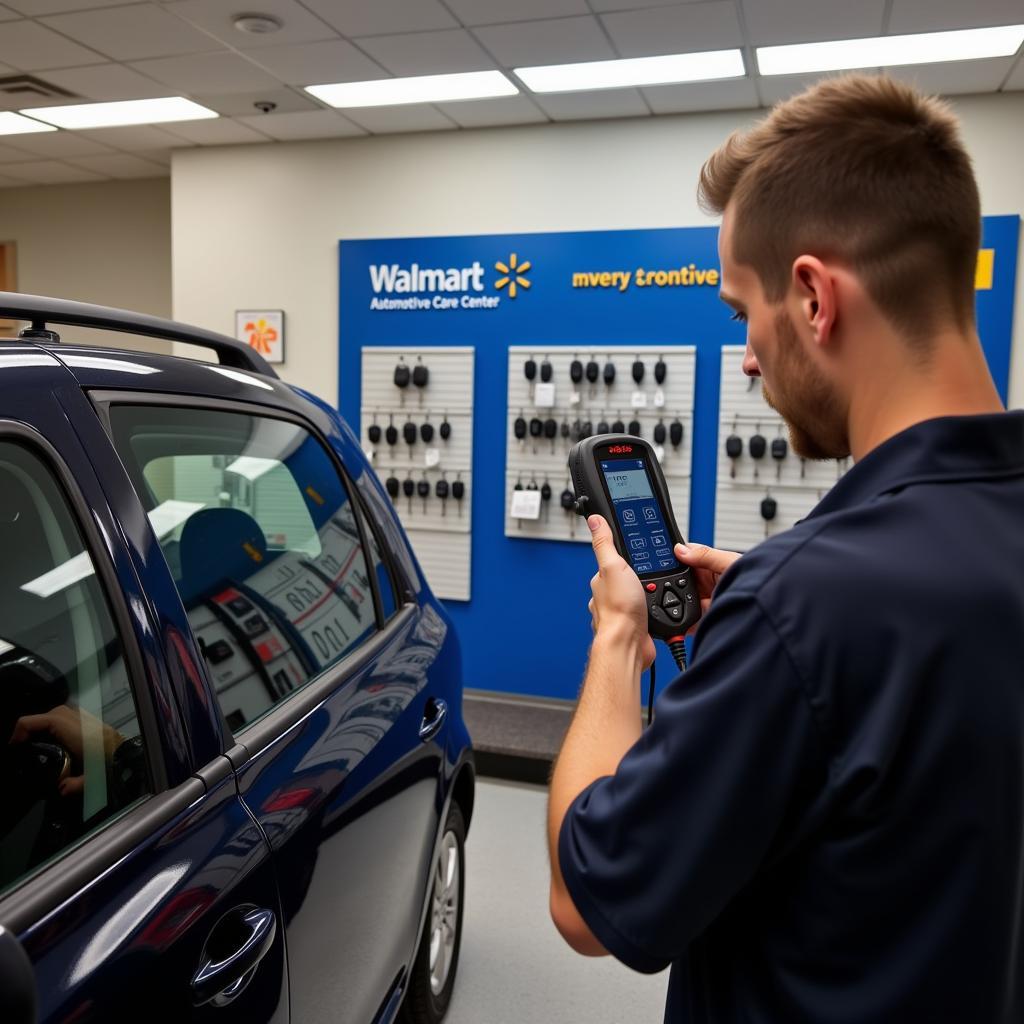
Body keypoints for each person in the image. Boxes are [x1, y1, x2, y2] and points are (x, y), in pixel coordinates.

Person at [547, 72, 1024, 1023]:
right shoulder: (827, 592)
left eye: (741, 314)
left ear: (812, 297)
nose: (751, 357)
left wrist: (617, 640)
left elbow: (586, 899)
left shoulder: (805, 606)